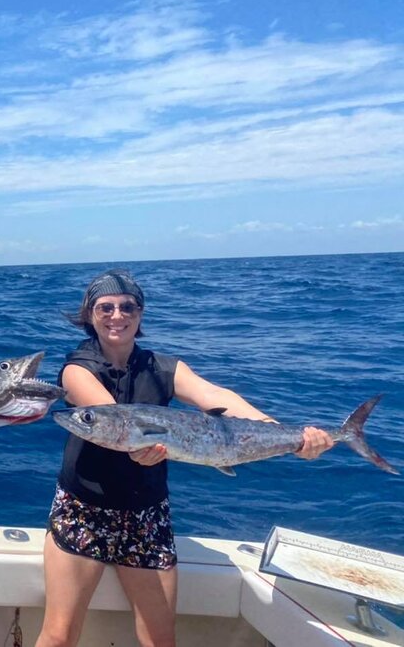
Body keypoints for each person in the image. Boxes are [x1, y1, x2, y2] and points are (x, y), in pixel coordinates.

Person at [35, 269, 334, 647]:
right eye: (105, 307)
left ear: (140, 314)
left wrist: (291, 436)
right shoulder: (77, 368)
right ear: (89, 315)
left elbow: (215, 396)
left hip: (146, 513)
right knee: (59, 637)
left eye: (127, 307)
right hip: (84, 510)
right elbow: (111, 416)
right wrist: (137, 446)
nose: (117, 315)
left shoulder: (164, 368)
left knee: (161, 640)